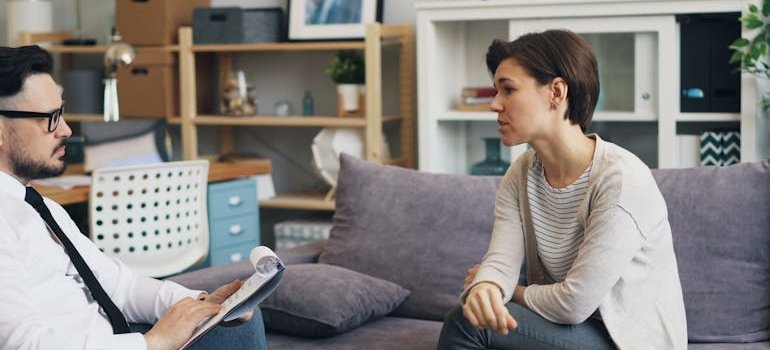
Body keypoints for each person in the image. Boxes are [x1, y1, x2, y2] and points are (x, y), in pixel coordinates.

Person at [0, 45, 267, 350]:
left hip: (120, 339)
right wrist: (152, 342)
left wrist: (198, 302)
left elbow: (119, 286)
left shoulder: (42, 208)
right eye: (50, 118)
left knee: (239, 318)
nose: (65, 129)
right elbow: (24, 345)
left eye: (61, 113)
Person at [438, 30, 687, 349]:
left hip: (624, 340)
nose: (495, 105)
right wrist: (486, 287)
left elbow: (574, 303)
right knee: (473, 315)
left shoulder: (620, 179)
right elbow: (501, 261)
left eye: (509, 90)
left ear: (556, 92)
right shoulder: (521, 173)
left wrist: (509, 290)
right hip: (562, 329)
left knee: (467, 325)